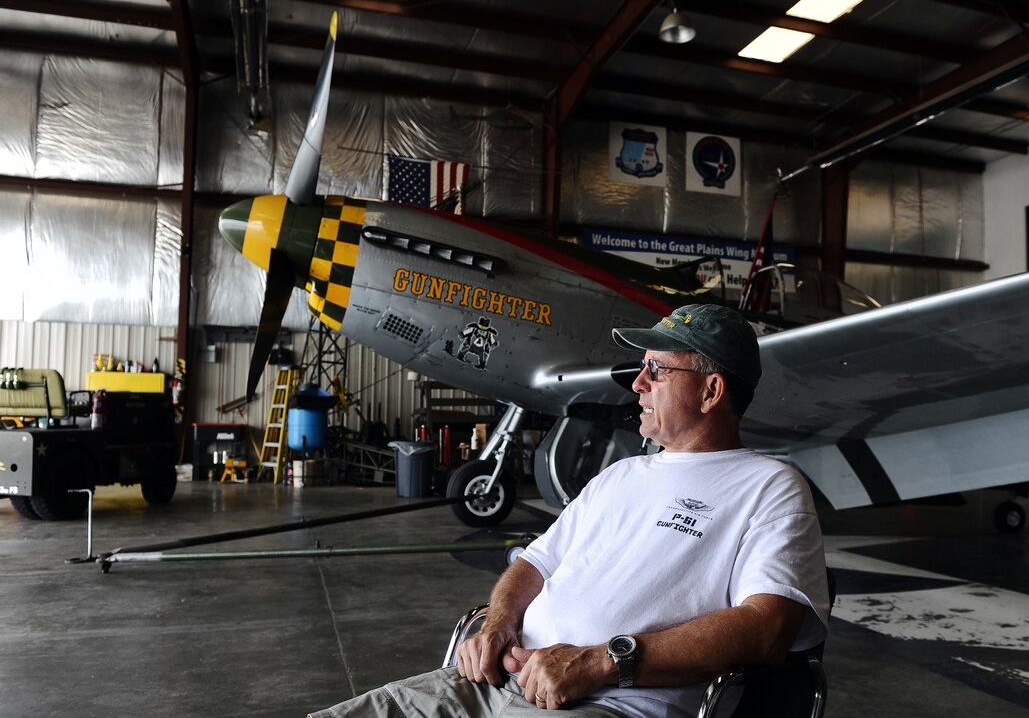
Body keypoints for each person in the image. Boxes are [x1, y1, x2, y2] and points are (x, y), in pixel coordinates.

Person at [309, 303, 829, 718]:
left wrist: (603, 663)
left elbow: (767, 628)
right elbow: (535, 562)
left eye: (657, 370)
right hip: (491, 681)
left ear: (712, 390)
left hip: (604, 702)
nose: (637, 383)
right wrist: (497, 624)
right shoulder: (619, 475)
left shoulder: (769, 487)